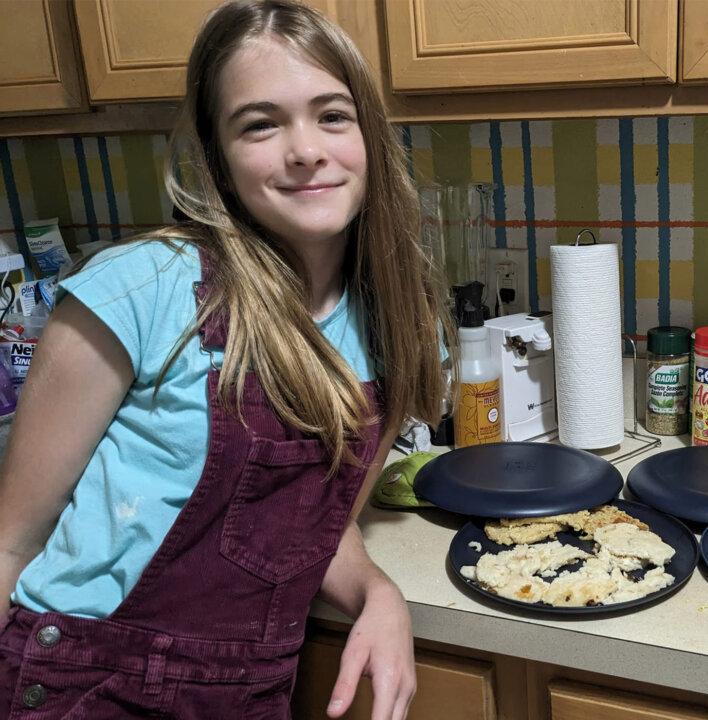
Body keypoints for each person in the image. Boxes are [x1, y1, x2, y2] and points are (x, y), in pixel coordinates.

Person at [0, 1, 454, 718]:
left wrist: (377, 592)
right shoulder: (139, 289)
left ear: (369, 132)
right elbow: (11, 542)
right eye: (261, 124)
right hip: (81, 681)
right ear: (218, 158)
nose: (305, 149)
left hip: (247, 691)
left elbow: (316, 532)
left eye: (332, 115)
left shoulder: (399, 325)